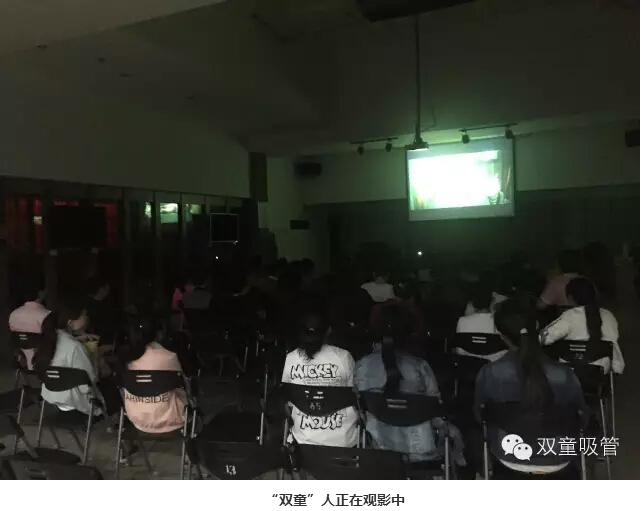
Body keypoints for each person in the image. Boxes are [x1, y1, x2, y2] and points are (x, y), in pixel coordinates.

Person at [474, 299, 587, 476]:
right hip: (558, 456)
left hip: (508, 456)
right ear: (537, 327)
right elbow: (582, 417)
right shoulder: (564, 374)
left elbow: (480, 415)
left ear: (501, 335)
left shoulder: (491, 374)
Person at [355, 305, 463, 464]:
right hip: (421, 451)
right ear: (409, 335)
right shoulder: (421, 366)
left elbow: (358, 412)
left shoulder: (361, 367)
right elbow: (436, 412)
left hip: (376, 449)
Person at [281, 301, 359, 447]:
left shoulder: (291, 358)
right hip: (342, 442)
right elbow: (354, 396)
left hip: (303, 439)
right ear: (328, 331)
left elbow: (288, 402)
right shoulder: (343, 357)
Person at [34, 301, 107, 417]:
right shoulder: (75, 347)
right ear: (70, 322)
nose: (86, 318)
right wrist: (96, 358)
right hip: (77, 401)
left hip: (52, 396)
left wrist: (77, 339)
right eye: (84, 315)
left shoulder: (47, 341)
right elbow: (91, 379)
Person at [121, 312, 188, 434]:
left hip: (136, 417)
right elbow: (183, 380)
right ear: (159, 333)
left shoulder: (126, 359)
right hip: (169, 417)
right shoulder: (169, 357)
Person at [540, 277, 624, 374]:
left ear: (570, 298)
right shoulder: (608, 315)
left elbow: (544, 339)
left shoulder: (570, 316)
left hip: (571, 372)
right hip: (602, 370)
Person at [9, 275, 50, 370]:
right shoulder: (47, 315)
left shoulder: (13, 314)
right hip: (43, 365)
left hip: (22, 365)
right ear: (41, 293)